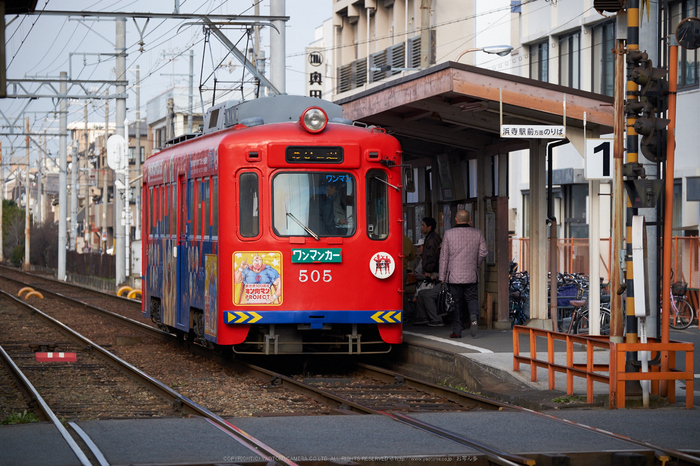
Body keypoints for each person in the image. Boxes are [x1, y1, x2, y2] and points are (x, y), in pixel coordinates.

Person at [439, 210, 487, 338]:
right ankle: (474, 317)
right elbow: (483, 252)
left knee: (456, 303)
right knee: (472, 299)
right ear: (469, 219)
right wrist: (475, 264)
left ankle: (457, 331)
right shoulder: (477, 233)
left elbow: (444, 257)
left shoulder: (449, 234)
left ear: (456, 219)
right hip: (471, 275)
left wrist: (442, 277)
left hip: (453, 277)